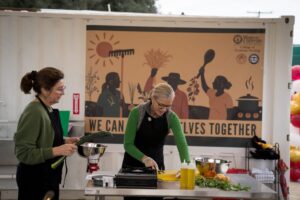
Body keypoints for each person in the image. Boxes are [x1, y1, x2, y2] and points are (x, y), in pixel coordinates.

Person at [14, 67, 78, 200]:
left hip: (48, 177)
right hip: (35, 180)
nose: (63, 93)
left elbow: (45, 139)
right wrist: (58, 150)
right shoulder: (34, 112)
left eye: (63, 88)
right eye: (59, 89)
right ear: (44, 89)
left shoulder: (47, 109)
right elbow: (23, 153)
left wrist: (65, 141)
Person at [122, 82, 190, 171]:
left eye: (168, 106)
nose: (164, 110)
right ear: (153, 98)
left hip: (157, 169)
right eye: (161, 105)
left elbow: (182, 144)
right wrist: (145, 158)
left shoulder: (171, 117)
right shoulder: (137, 113)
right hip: (132, 168)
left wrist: (187, 167)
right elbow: (128, 145)